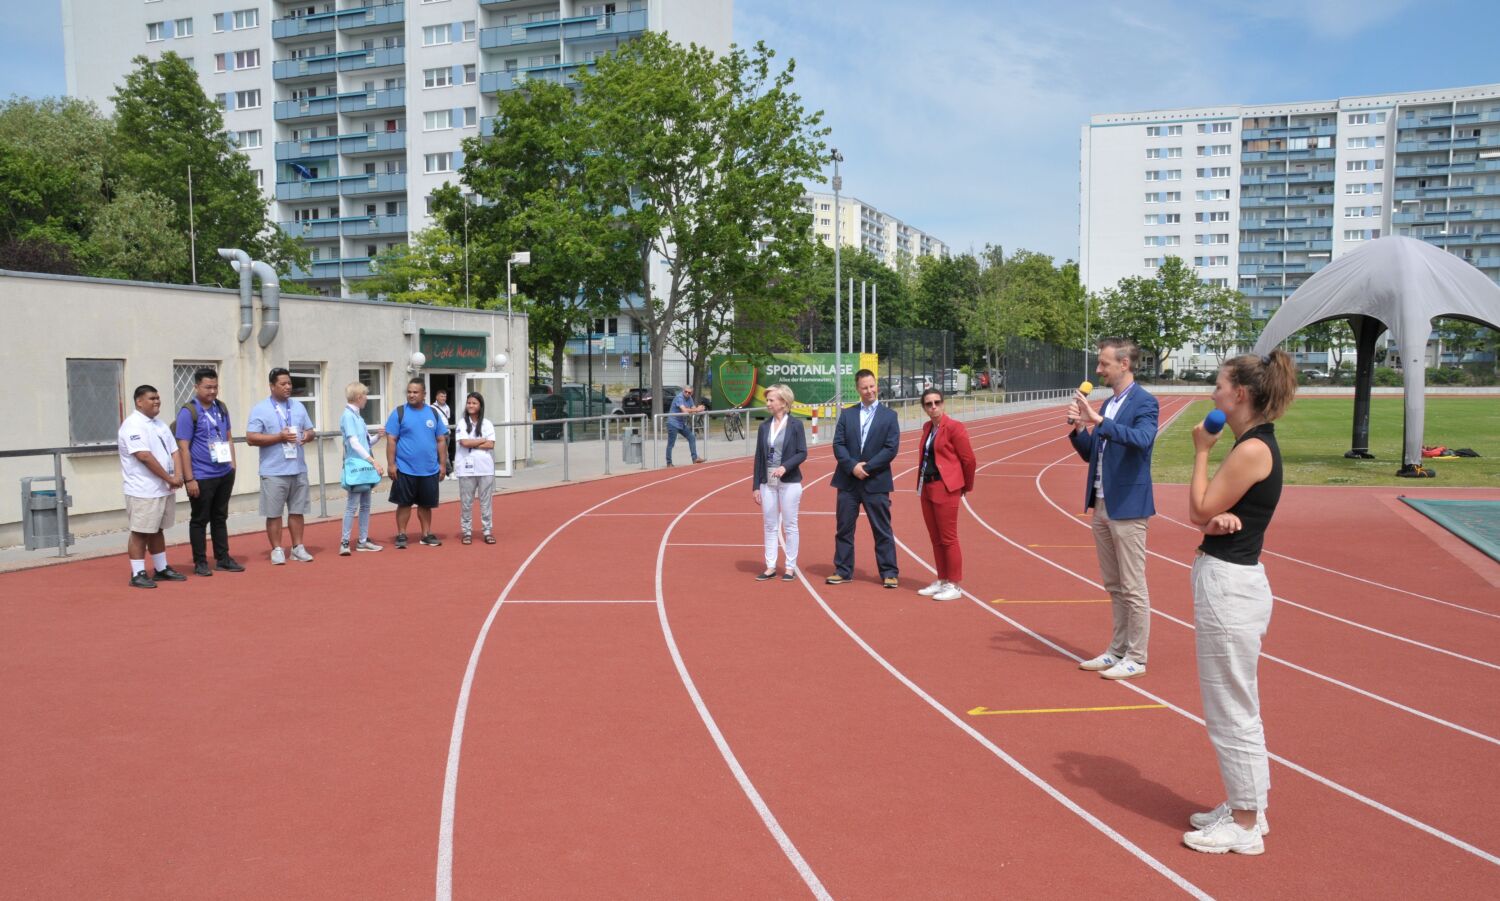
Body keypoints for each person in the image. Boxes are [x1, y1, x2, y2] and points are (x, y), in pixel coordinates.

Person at [1181, 350, 1297, 856]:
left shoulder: (1249, 450)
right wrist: (1212, 521)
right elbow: (1214, 515)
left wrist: (1201, 451)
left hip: (1230, 587)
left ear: (1240, 395)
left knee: (1231, 708)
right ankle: (1248, 805)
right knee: (1236, 702)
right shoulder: (1250, 444)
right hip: (1233, 580)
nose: (1212, 393)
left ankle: (1246, 824)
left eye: (1218, 385)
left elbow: (1199, 508)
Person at [1067, 337, 1159, 680]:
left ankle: (1137, 655)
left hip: (1129, 507)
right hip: (1102, 503)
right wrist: (1080, 427)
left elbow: (1143, 440)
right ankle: (1117, 650)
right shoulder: (1107, 405)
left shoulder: (1145, 402)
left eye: (1104, 363)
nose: (1097, 370)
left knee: (1133, 585)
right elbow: (1093, 453)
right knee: (1114, 584)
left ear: (1124, 364)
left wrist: (1099, 421)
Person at [828, 369, 901, 588]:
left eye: (872, 386)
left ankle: (889, 572)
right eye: (864, 387)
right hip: (848, 481)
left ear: (876, 385)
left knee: (882, 529)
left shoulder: (889, 416)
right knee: (844, 529)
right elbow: (838, 444)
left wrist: (866, 468)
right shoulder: (847, 415)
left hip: (875, 481)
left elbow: (891, 449)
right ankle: (843, 570)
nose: (869, 391)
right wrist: (852, 467)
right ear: (857, 389)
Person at [173, 367, 244, 576]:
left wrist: (233, 465)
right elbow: (183, 448)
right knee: (200, 519)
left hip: (223, 472)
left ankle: (223, 558)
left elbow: (228, 436)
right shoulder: (189, 412)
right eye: (207, 387)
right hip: (201, 476)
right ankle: (200, 562)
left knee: (220, 517)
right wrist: (189, 479)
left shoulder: (221, 408)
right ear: (196, 387)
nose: (212, 391)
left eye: (215, 387)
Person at [245, 367, 317, 565]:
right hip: (274, 470)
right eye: (283, 384)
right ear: (272, 386)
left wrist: (306, 436)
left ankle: (298, 547)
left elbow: (311, 431)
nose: (288, 387)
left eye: (289, 383)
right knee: (274, 512)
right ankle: (277, 549)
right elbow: (251, 437)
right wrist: (279, 437)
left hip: (298, 468)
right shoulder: (261, 409)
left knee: (297, 511)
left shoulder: (298, 407)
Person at [119, 384, 186, 588]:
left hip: (163, 488)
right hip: (143, 489)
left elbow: (174, 450)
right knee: (140, 531)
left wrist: (178, 475)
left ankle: (161, 568)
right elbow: (144, 456)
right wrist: (169, 477)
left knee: (157, 529)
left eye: (158, 398)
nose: (157, 401)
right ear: (139, 401)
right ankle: (138, 572)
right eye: (151, 398)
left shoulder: (159, 424)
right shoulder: (133, 425)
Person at [915, 388, 976, 602]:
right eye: (928, 404)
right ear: (923, 407)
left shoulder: (955, 428)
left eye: (937, 402)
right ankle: (941, 579)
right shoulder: (927, 427)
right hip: (927, 487)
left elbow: (968, 460)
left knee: (948, 538)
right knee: (935, 538)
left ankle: (954, 584)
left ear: (943, 404)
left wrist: (965, 486)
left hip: (946, 488)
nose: (933, 407)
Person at [751, 383, 807, 581]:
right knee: (769, 524)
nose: (767, 403)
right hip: (768, 483)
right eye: (767, 400)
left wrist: (785, 467)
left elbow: (802, 453)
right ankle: (770, 566)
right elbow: (759, 456)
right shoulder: (764, 426)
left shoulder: (796, 425)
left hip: (790, 482)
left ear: (783, 402)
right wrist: (756, 485)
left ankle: (790, 567)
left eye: (771, 400)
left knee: (790, 525)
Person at [385, 378, 449, 549]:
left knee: (426, 505)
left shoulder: (433, 414)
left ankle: (426, 534)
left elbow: (441, 440)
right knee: (404, 504)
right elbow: (391, 440)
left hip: (429, 469)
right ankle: (402, 534)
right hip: (405, 469)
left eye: (415, 392)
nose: (411, 395)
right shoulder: (399, 413)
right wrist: (391, 465)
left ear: (424, 394)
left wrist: (442, 465)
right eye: (409, 392)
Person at [338, 382, 385, 556]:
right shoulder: (348, 416)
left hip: (363, 465)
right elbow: (354, 443)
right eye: (365, 395)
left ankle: (363, 541)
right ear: (359, 397)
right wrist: (373, 461)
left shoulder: (359, 417)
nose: (366, 398)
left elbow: (365, 442)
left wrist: (377, 437)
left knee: (365, 505)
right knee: (352, 505)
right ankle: (344, 542)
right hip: (357, 466)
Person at [453, 391, 497, 545]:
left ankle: (487, 531)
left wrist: (474, 441)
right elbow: (464, 443)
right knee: (466, 502)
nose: (471, 406)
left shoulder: (487, 424)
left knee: (486, 502)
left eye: (474, 403)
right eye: (469, 403)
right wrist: (482, 440)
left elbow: (491, 444)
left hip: (485, 468)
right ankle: (467, 531)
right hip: (466, 468)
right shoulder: (462, 423)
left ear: (480, 405)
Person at [665, 384, 705, 466]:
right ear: (683, 391)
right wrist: (697, 409)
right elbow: (684, 410)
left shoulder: (689, 398)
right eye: (685, 392)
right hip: (673, 423)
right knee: (671, 443)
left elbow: (693, 409)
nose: (687, 394)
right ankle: (669, 463)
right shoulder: (679, 397)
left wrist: (699, 408)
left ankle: (695, 458)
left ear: (691, 393)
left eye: (689, 392)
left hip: (681, 423)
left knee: (691, 437)